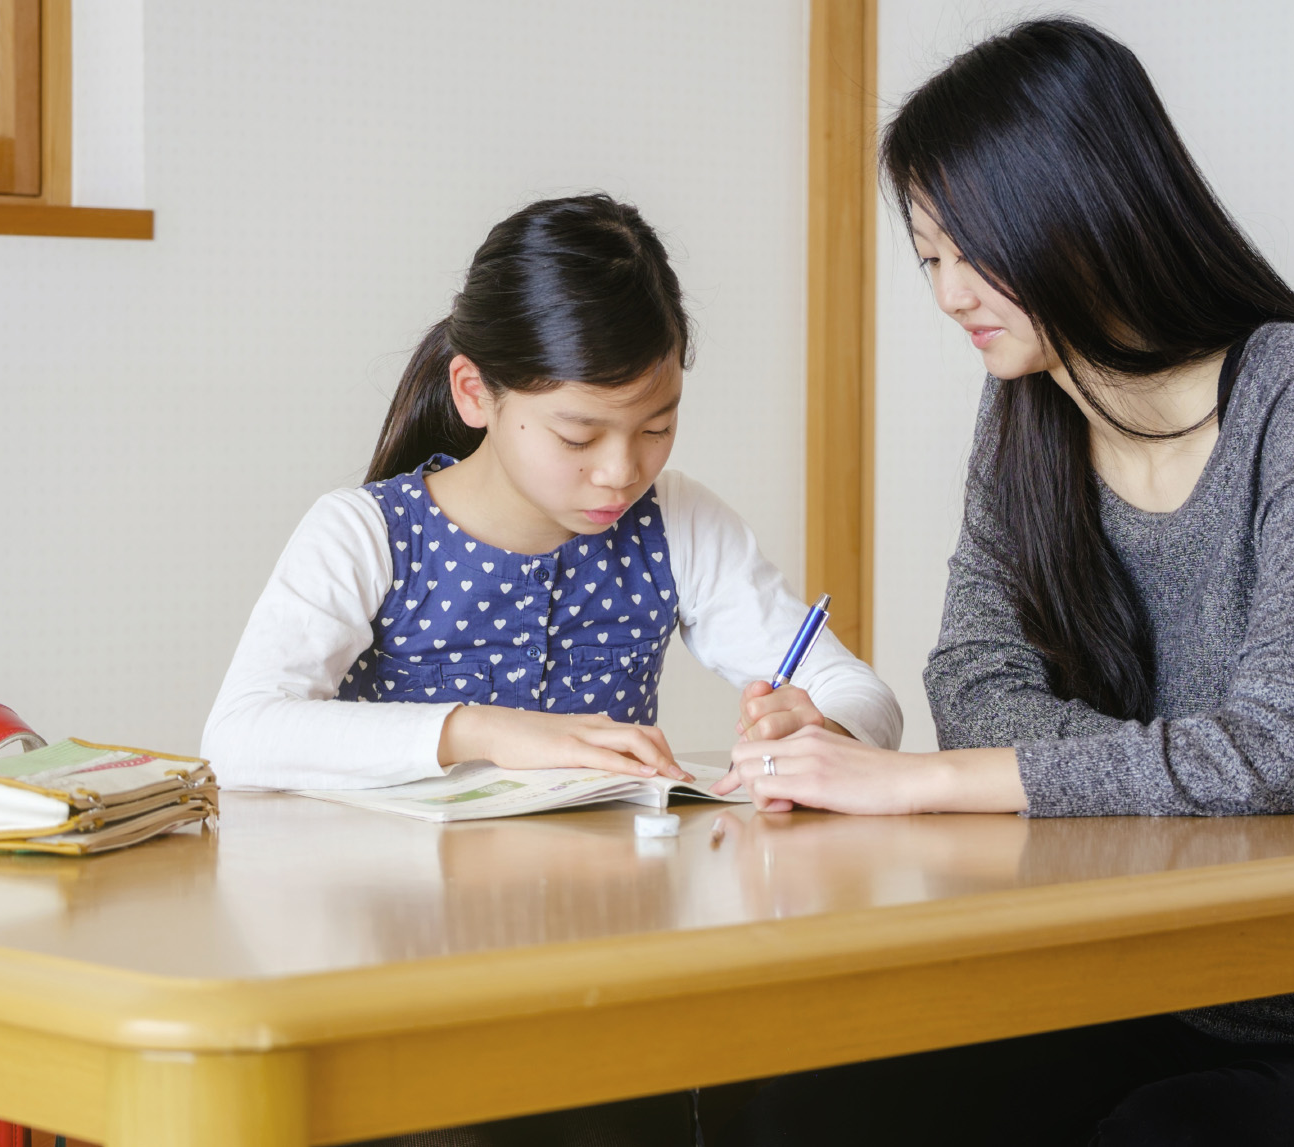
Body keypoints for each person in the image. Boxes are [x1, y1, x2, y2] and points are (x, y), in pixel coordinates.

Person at [716, 18, 1294, 1147]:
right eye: (928, 256)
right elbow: (971, 681)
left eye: (974, 246)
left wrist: (916, 783)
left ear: (1082, 204)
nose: (950, 293)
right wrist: (1233, 788)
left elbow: (1288, 743)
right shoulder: (1025, 405)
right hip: (1117, 965)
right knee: (792, 1097)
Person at [203, 194, 900, 800]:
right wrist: (482, 730)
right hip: (407, 925)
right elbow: (238, 735)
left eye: (657, 426)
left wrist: (821, 730)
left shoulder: (677, 519)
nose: (622, 471)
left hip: (605, 917)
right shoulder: (364, 532)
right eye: (577, 437)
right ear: (476, 392)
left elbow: (862, 695)